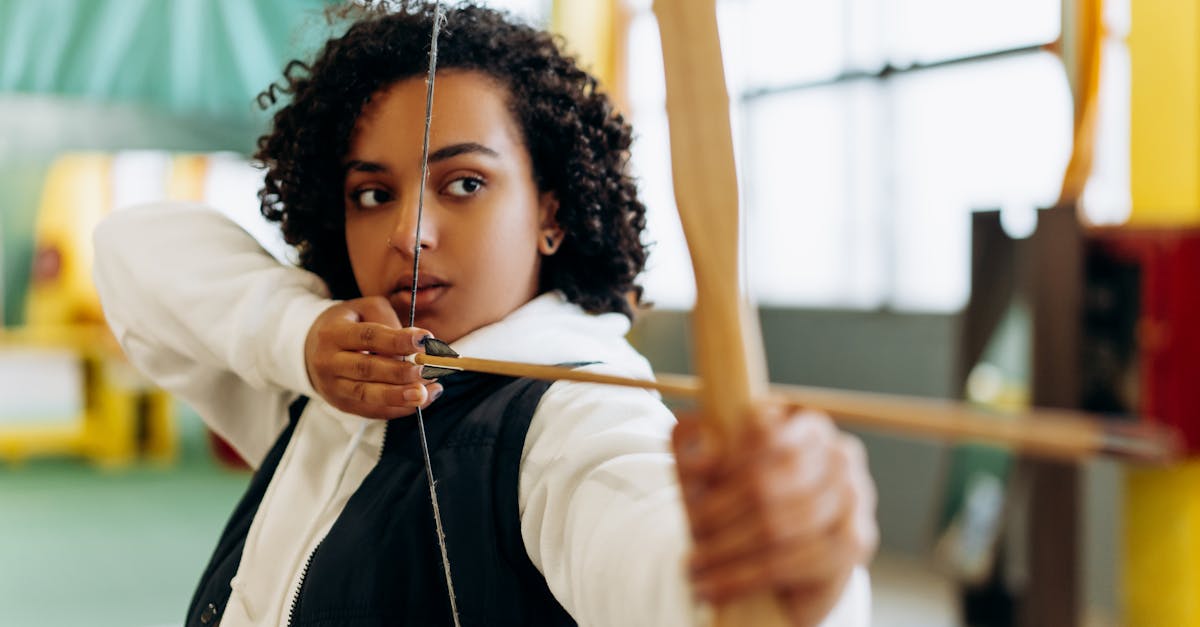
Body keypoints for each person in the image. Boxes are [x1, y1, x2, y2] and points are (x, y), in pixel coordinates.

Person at [93, 2, 877, 625]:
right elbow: (129, 247)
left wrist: (794, 571)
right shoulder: (322, 385)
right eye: (373, 193)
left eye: (464, 182)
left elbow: (655, 557)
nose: (408, 232)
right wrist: (297, 338)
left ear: (552, 213)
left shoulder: (572, 415)